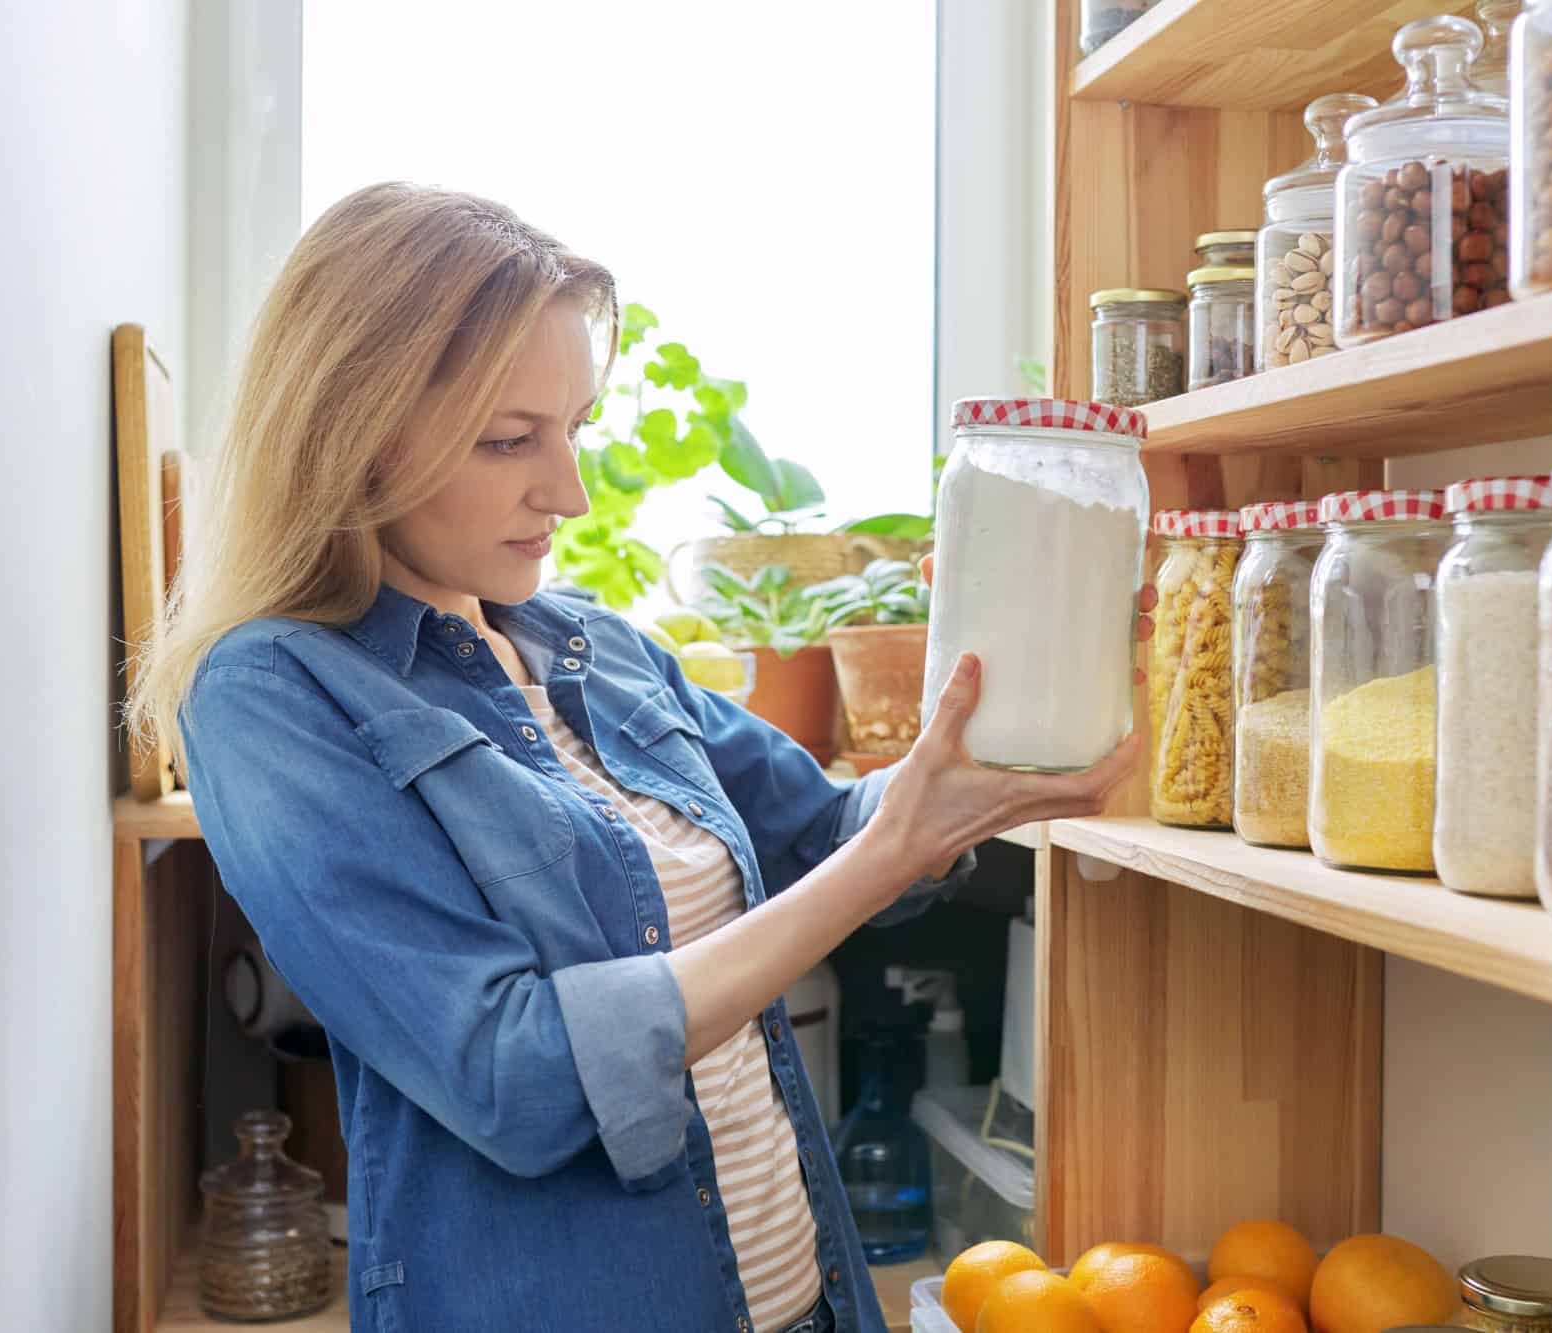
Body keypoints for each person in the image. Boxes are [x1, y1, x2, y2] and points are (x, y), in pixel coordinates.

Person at [129, 182, 1150, 1333]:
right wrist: (885, 853)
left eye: (572, 432)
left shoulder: (596, 648)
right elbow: (511, 1072)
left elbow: (830, 831)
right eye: (508, 440)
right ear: (352, 435)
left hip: (803, 1296)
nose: (562, 490)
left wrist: (1011, 708)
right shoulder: (272, 692)